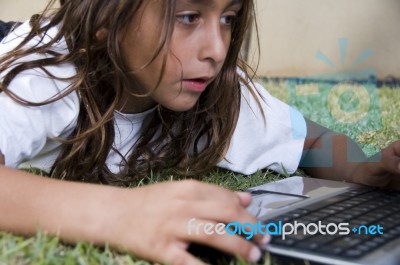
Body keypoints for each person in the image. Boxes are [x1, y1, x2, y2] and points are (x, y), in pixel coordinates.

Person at [0, 0, 399, 264]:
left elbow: (313, 142)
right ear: (108, 17)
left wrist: (361, 170)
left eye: (228, 18)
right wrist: (118, 213)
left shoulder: (213, 90)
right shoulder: (44, 73)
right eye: (189, 17)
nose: (217, 49)